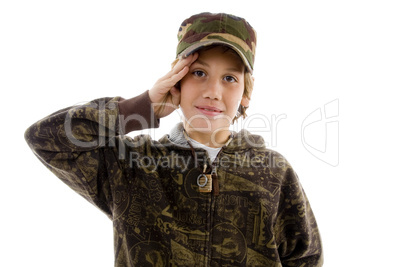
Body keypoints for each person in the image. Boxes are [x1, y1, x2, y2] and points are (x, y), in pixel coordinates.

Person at [25, 12, 323, 266]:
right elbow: (45, 138)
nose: (213, 92)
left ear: (246, 93)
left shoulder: (272, 171)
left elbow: (306, 259)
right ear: (176, 79)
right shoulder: (132, 165)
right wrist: (141, 107)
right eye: (198, 72)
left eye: (230, 78)